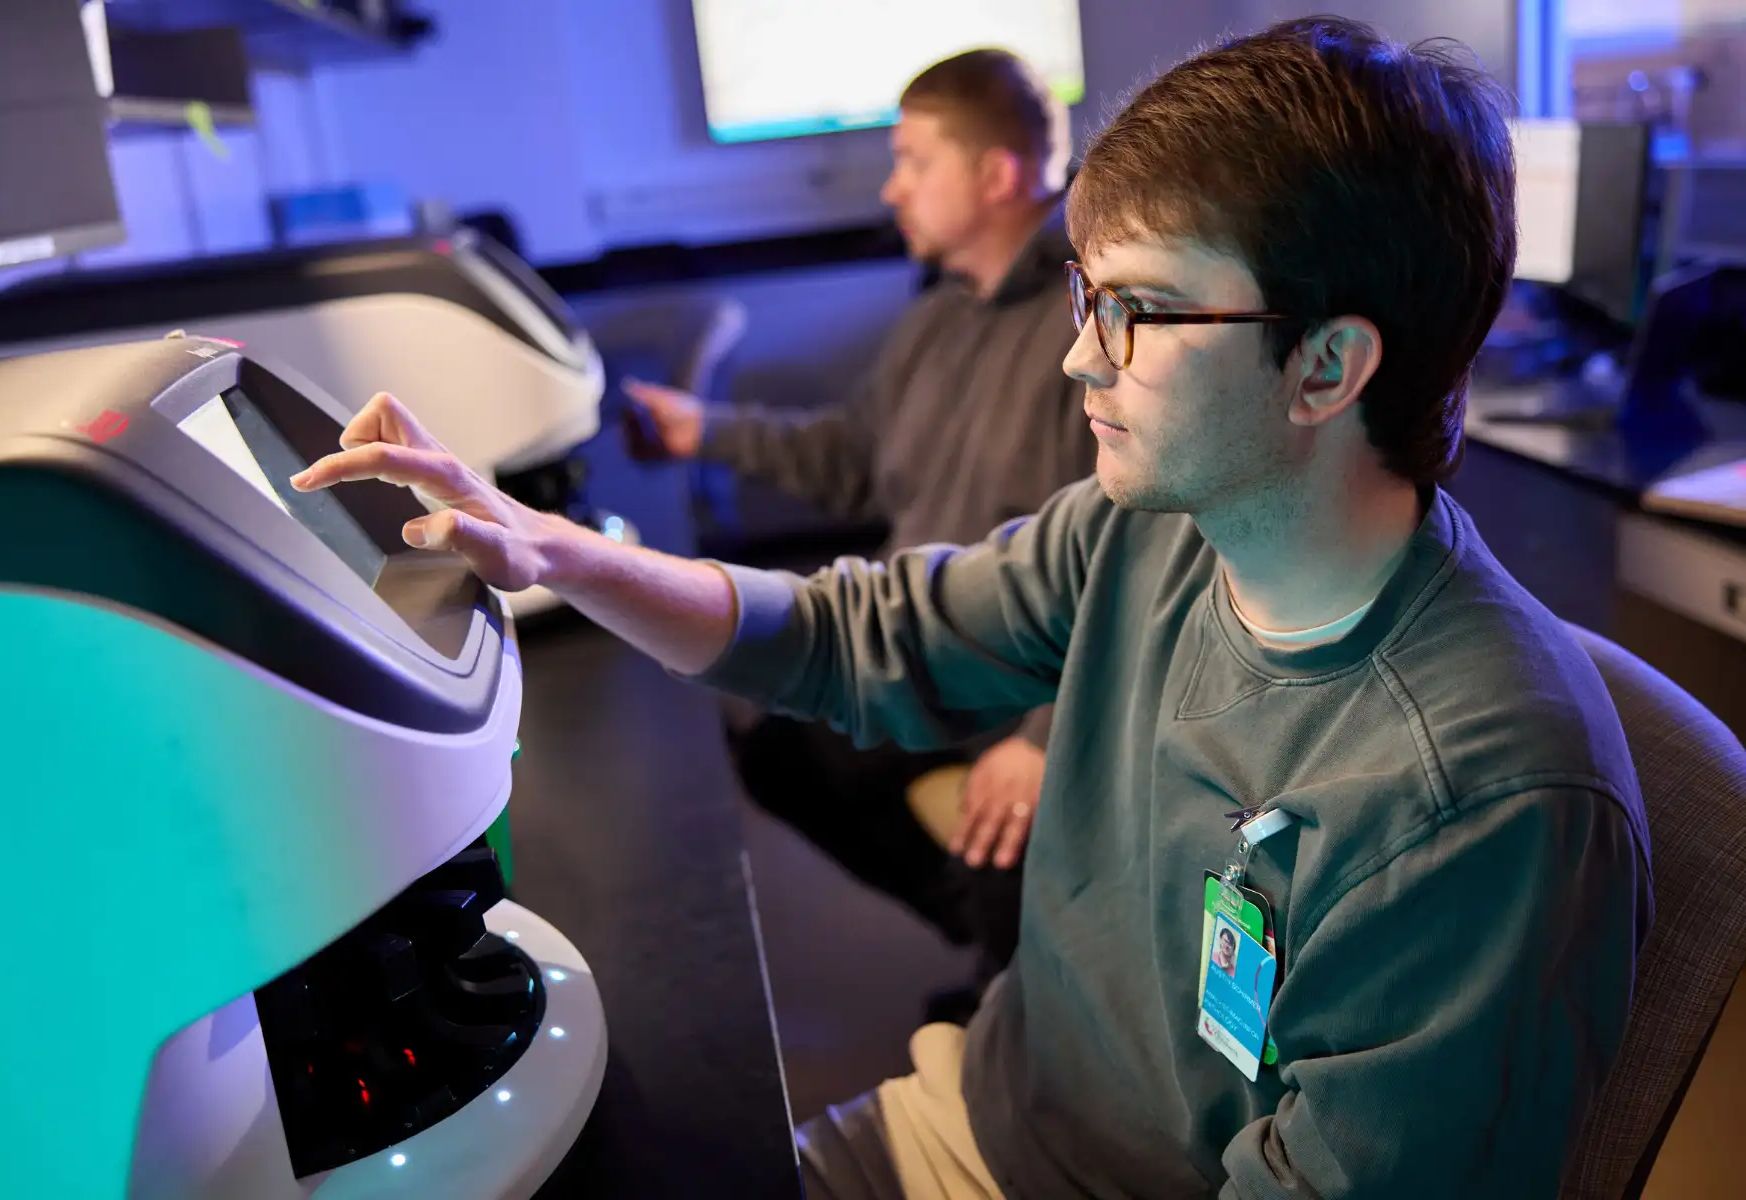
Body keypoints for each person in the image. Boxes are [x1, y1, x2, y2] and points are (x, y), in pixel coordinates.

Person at [293, 16, 1652, 1199]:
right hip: (963, 1125)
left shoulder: (1474, 802)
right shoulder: (1148, 534)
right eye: (1084, 295)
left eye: (1137, 311)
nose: (1077, 354)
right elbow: (855, 634)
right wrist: (563, 552)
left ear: (1326, 368)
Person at [622, 47, 1094, 1018]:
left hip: (1016, 686)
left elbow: (1122, 552)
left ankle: (1022, 993)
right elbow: (853, 454)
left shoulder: (1085, 330)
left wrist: (1047, 738)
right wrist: (701, 429)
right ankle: (996, 951)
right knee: (769, 741)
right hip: (915, 651)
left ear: (999, 175)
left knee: (1010, 833)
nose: (893, 187)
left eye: (916, 161)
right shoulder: (934, 325)